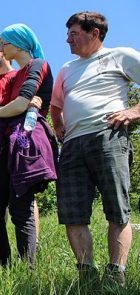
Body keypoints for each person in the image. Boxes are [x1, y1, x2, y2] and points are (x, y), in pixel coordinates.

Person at [50, 12, 140, 286]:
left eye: (74, 34)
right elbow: (55, 105)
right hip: (73, 145)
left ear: (95, 33)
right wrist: (58, 126)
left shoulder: (120, 55)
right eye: (68, 34)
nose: (68, 39)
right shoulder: (67, 68)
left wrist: (132, 112)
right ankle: (87, 274)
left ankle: (116, 274)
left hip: (108, 137)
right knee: (72, 212)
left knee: (117, 207)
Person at [0, 24, 57, 268]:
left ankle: (28, 270)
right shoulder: (16, 75)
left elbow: (21, 103)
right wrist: (10, 108)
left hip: (27, 142)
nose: (2, 49)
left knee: (20, 209)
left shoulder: (38, 65)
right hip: (8, 145)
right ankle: (2, 267)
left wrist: (6, 110)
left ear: (17, 43)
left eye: (5, 44)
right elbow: (14, 105)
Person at [0, 34, 42, 249]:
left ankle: (32, 247)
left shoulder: (19, 76)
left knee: (23, 201)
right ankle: (2, 262)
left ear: (2, 51)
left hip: (17, 145)